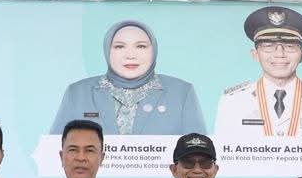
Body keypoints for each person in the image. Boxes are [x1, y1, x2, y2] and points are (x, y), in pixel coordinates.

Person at [50, 20, 206, 135]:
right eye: (119, 46)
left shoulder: (181, 93)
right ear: (107, 50)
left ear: (153, 50)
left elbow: (200, 155)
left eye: (141, 46)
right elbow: (54, 150)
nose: (130, 55)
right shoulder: (77, 93)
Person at [214, 6, 302, 138]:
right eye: (268, 46)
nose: (279, 54)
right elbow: (222, 151)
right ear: (255, 54)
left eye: (289, 46)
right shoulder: (232, 102)